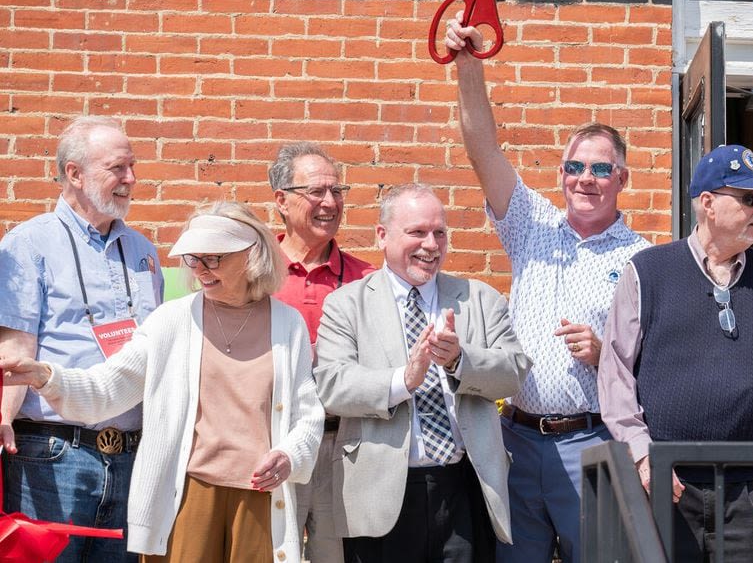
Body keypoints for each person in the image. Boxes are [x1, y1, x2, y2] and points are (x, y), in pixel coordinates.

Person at [0, 201, 325, 561]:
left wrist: (289, 455)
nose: (200, 269)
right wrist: (49, 377)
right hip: (186, 496)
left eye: (213, 258)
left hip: (261, 496)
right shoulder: (171, 320)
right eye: (193, 258)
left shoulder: (288, 323)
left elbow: (308, 413)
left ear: (251, 255)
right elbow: (108, 389)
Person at [447, 19, 650, 562]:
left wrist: (604, 354)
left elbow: (656, 365)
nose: (584, 178)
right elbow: (482, 149)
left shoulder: (643, 258)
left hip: (592, 442)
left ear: (622, 178)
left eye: (600, 168)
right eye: (574, 167)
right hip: (515, 441)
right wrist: (469, 66)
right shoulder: (530, 225)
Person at [598, 144, 753, 561]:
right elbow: (615, 374)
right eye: (751, 198)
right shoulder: (647, 272)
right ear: (707, 203)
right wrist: (643, 456)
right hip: (666, 483)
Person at [314, 184, 530, 563]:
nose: (431, 245)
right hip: (380, 492)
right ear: (382, 235)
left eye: (440, 233)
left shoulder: (479, 298)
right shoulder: (346, 304)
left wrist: (460, 360)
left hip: (464, 487)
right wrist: (403, 381)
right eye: (417, 232)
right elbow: (332, 386)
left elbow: (514, 372)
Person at [0, 116, 162, 562]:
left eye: (132, 166)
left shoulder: (144, 253)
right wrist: (3, 418)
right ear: (74, 173)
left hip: (132, 456)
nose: (131, 179)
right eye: (118, 168)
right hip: (53, 455)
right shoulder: (28, 245)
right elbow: (16, 348)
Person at [269, 142, 374, 563]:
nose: (330, 203)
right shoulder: (255, 272)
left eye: (337, 191)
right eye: (316, 192)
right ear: (282, 200)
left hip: (342, 447)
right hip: (277, 447)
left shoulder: (368, 279)